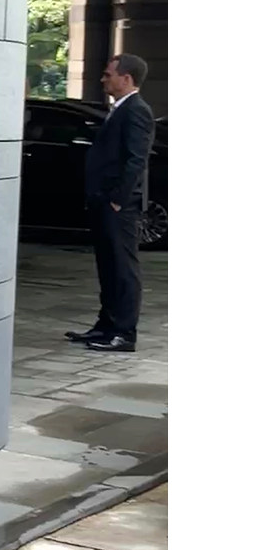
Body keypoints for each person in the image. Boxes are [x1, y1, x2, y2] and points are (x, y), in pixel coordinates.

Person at [66, 52, 157, 353]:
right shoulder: (120, 108)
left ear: (126, 78)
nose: (103, 79)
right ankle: (106, 325)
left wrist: (119, 199)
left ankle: (123, 333)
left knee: (122, 268)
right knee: (108, 266)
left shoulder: (136, 110)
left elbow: (136, 160)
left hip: (120, 206)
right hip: (104, 202)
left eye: (109, 74)